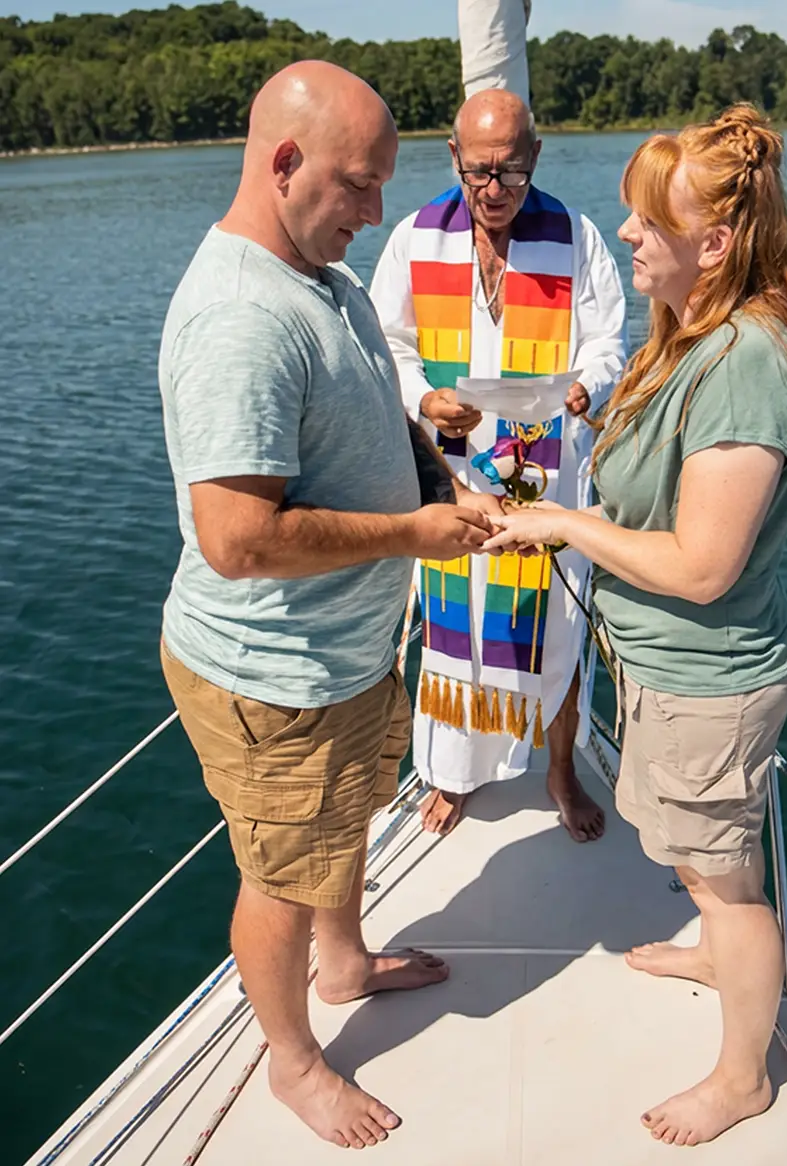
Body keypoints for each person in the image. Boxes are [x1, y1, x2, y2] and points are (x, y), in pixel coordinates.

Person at [157, 61, 498, 1150]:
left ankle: (344, 966)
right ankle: (293, 1060)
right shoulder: (241, 318)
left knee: (339, 822)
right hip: (274, 674)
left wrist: (440, 481)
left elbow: (374, 414)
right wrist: (410, 534)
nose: (377, 211)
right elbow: (237, 538)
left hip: (345, 652)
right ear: (284, 162)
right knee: (279, 873)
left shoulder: (326, 280)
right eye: (358, 185)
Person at [484, 104, 787, 1146]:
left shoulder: (742, 363)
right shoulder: (692, 336)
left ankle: (742, 1074)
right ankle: (714, 951)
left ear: (715, 243)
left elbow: (702, 562)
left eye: (648, 222)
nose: (627, 234)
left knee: (727, 886)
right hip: (661, 671)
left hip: (708, 679)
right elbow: (659, 459)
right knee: (693, 856)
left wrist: (559, 519)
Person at [369, 88, 628, 840]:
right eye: (479, 172)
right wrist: (422, 398)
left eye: (510, 174)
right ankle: (453, 775)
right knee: (454, 640)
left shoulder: (573, 236)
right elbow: (389, 345)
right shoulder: (416, 238)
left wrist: (591, 384)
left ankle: (558, 771)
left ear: (536, 158)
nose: (493, 191)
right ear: (453, 157)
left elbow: (607, 337)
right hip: (455, 478)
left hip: (545, 480)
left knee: (555, 631)